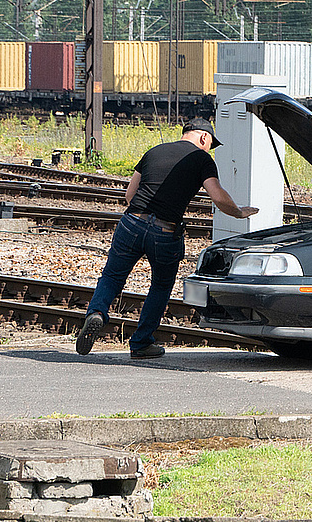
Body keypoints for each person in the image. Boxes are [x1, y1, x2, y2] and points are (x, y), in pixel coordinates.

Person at [76, 118, 258, 359]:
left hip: (132, 222)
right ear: (204, 137)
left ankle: (97, 313)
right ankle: (141, 343)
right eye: (210, 143)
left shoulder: (154, 151)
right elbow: (217, 195)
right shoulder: (202, 159)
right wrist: (239, 212)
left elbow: (130, 194)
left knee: (112, 276)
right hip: (165, 231)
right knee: (160, 286)